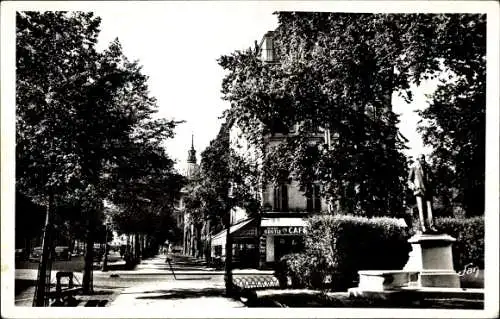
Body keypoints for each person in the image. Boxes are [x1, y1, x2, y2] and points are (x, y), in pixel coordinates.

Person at [408, 154, 439, 234]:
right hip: (419, 190)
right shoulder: (414, 166)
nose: (423, 160)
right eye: (421, 158)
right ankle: (423, 226)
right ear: (418, 159)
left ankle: (432, 226)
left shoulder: (427, 167)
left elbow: (431, 178)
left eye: (424, 158)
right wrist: (413, 186)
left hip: (428, 190)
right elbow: (409, 180)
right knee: (421, 209)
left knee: (430, 209)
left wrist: (432, 183)